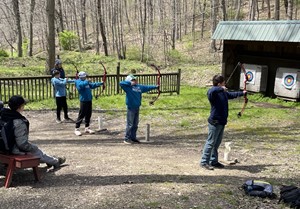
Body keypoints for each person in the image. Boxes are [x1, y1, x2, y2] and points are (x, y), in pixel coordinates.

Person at [0, 95, 66, 169]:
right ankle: (55, 161)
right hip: (10, 149)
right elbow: (22, 144)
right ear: (21, 107)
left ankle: (51, 159)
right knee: (35, 150)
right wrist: (33, 147)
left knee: (35, 150)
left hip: (2, 146)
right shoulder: (18, 122)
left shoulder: (2, 114)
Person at [200, 75, 246, 170]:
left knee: (217, 143)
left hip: (222, 121)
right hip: (215, 121)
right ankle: (204, 162)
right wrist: (220, 88)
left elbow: (230, 95)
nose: (225, 84)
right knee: (211, 142)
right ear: (219, 84)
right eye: (224, 83)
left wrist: (242, 93)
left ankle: (213, 161)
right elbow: (211, 91)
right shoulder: (213, 93)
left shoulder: (223, 92)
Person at [120, 74, 159, 144]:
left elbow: (147, 87)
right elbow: (121, 83)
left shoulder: (139, 87)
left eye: (135, 79)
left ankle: (133, 137)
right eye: (133, 80)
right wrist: (130, 83)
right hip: (131, 107)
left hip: (137, 107)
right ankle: (127, 138)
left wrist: (155, 87)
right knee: (130, 124)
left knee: (135, 124)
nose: (135, 81)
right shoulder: (128, 87)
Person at [74, 71, 103, 136]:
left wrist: (100, 83)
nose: (86, 77)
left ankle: (87, 128)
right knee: (81, 114)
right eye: (85, 76)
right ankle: (77, 129)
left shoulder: (86, 82)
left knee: (88, 114)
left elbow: (92, 85)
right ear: (82, 77)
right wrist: (87, 81)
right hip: (83, 101)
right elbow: (80, 86)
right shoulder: (78, 81)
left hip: (89, 100)